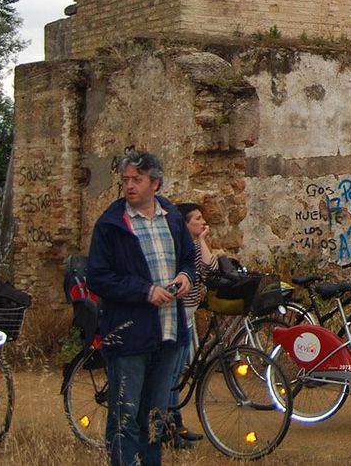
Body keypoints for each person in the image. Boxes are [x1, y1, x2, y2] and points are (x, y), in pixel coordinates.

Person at [87, 150, 197, 466]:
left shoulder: (172, 217)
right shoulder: (111, 224)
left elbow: (189, 259)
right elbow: (98, 277)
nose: (130, 186)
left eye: (137, 179)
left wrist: (186, 276)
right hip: (129, 335)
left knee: (155, 417)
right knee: (125, 415)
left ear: (155, 183)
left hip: (168, 332)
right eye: (126, 180)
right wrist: (144, 291)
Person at [164, 202, 217, 445]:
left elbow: (210, 268)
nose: (203, 222)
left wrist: (202, 239)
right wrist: (201, 241)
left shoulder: (194, 245)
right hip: (178, 313)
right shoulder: (184, 247)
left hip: (188, 314)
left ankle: (175, 423)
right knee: (172, 373)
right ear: (184, 224)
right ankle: (170, 425)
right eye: (197, 219)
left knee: (176, 373)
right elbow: (209, 266)